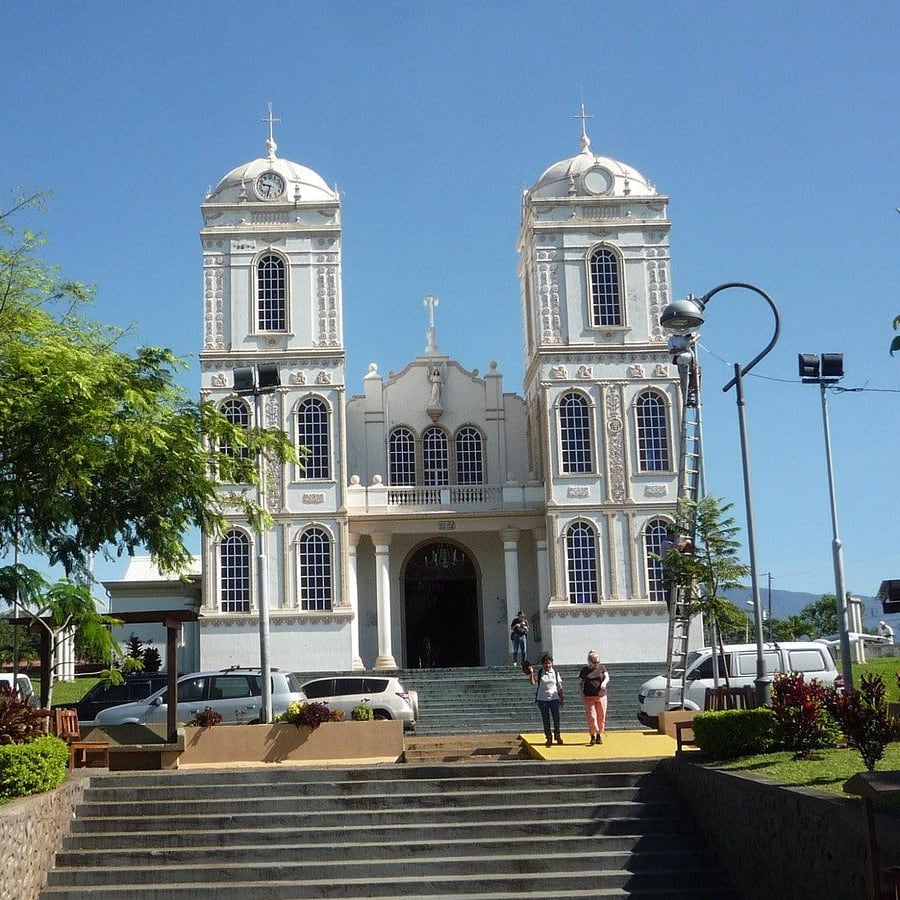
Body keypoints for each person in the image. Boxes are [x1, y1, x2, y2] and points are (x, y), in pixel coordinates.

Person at [524, 653, 564, 747]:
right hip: (542, 699)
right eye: (545, 663)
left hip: (554, 698)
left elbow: (559, 685)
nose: (547, 665)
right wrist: (531, 673)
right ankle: (548, 736)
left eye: (549, 663)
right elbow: (533, 682)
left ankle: (557, 735)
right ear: (542, 664)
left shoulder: (555, 672)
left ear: (552, 663)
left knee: (556, 718)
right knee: (546, 719)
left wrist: (562, 697)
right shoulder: (540, 673)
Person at [578, 650, 610, 746]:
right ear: (590, 661)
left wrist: (604, 683)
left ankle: (599, 735)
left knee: (601, 716)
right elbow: (580, 683)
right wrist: (580, 692)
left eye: (598, 662)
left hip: (601, 696)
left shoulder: (602, 668)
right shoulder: (584, 670)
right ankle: (592, 735)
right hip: (588, 696)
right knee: (592, 716)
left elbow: (607, 677)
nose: (597, 664)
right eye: (594, 662)